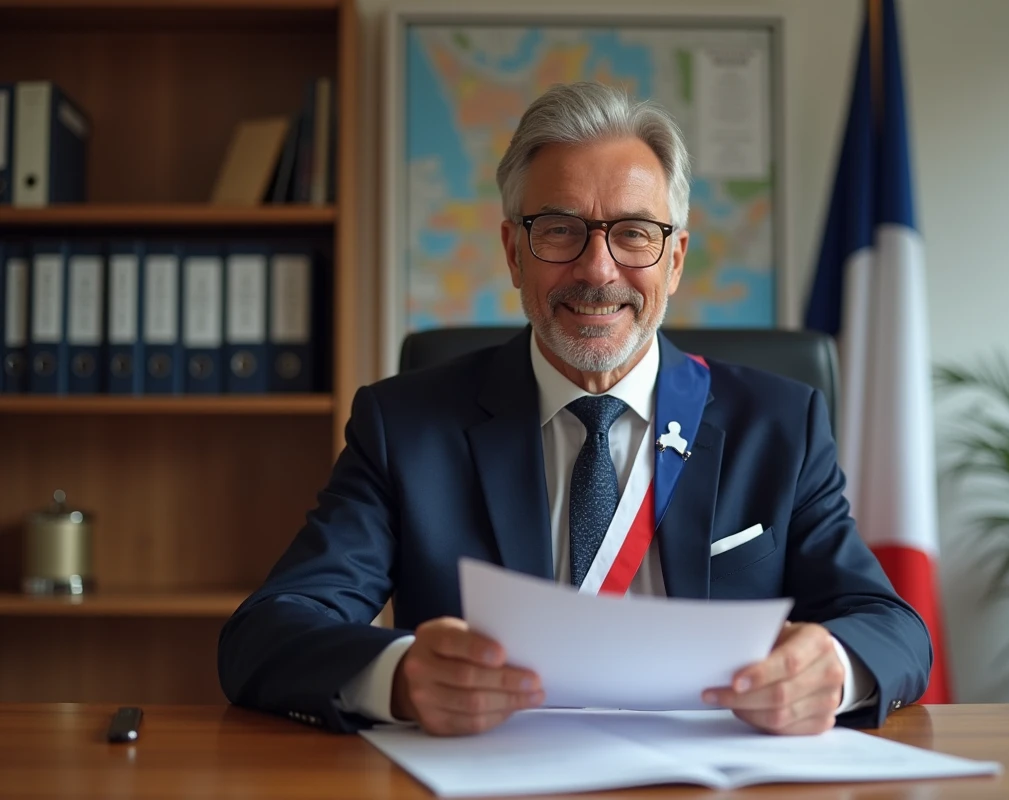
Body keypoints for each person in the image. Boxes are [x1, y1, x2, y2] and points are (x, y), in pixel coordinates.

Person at [218, 81, 932, 737]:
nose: (597, 269)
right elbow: (266, 634)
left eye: (634, 233)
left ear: (675, 259)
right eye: (560, 229)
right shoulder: (406, 427)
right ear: (513, 252)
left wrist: (832, 671)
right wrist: (398, 677)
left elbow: (892, 628)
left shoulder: (780, 425)